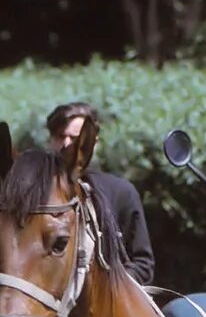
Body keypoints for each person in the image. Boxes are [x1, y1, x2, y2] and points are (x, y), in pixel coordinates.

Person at [46, 102, 155, 285]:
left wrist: (106, 288)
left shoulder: (121, 193)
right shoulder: (34, 193)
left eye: (74, 138)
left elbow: (143, 265)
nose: (66, 144)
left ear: (93, 143)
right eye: (59, 136)